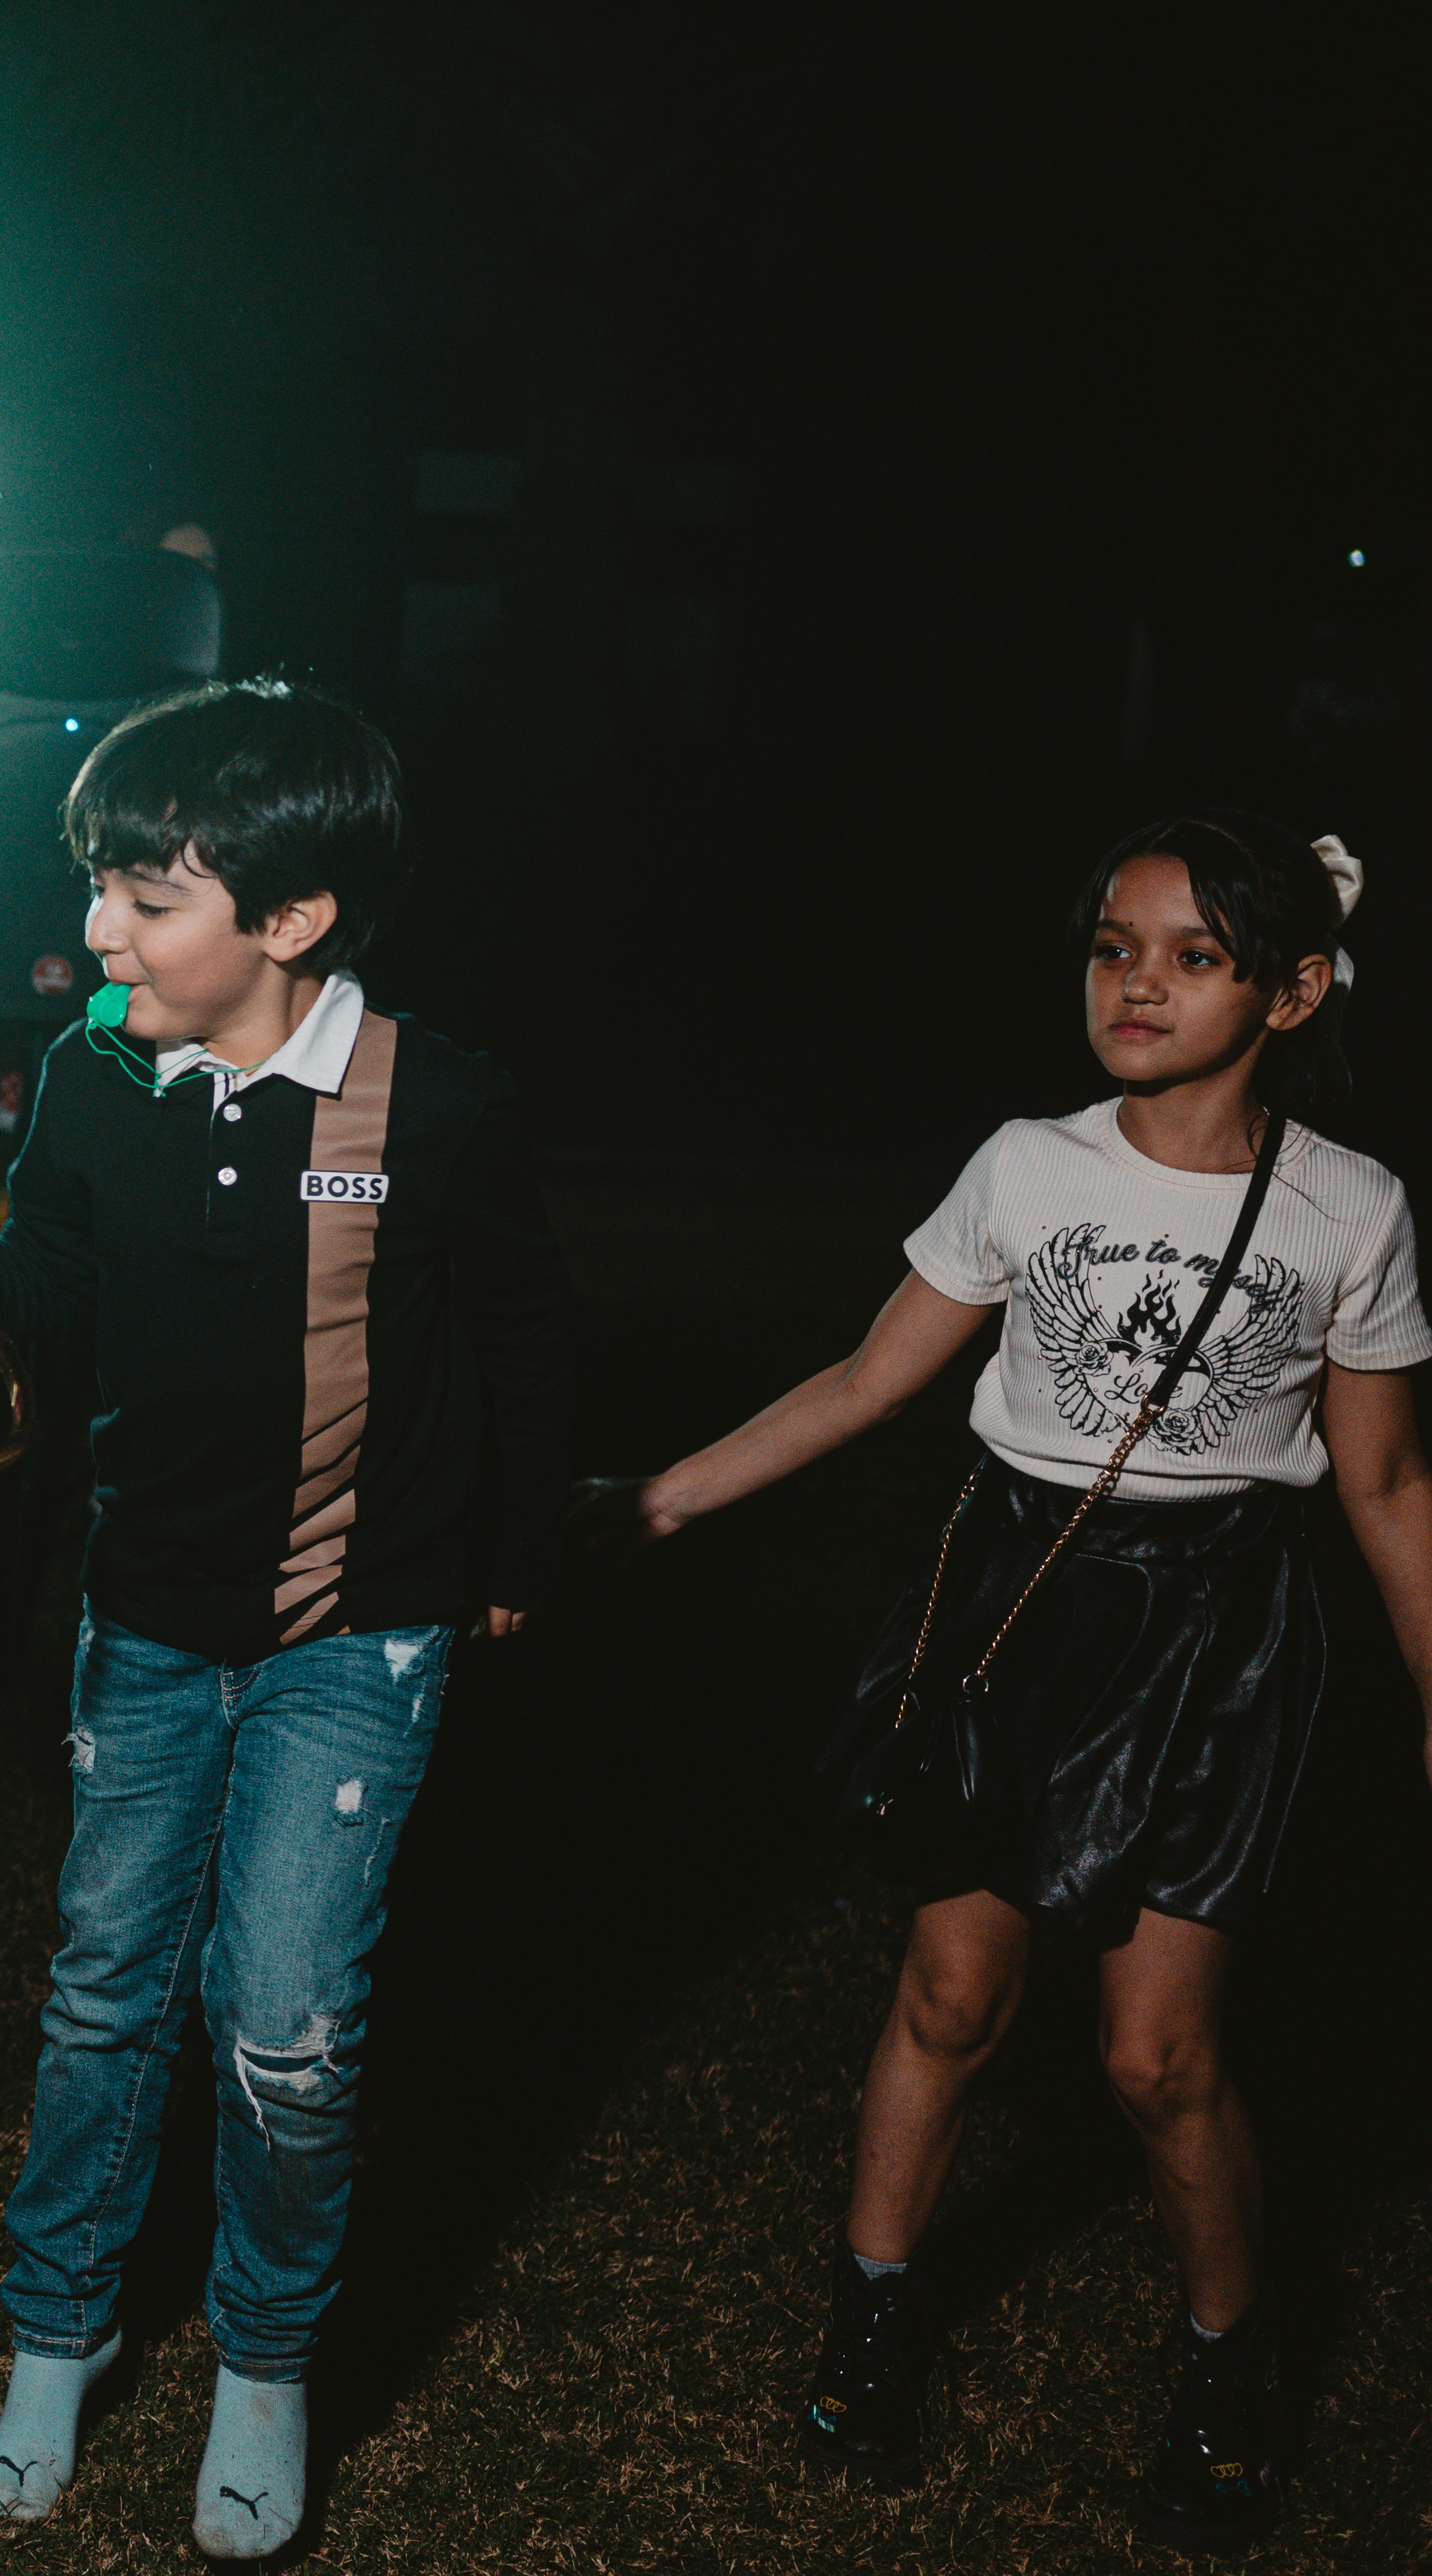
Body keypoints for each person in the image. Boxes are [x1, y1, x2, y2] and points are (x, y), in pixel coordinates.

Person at [600, 814, 1430, 2552]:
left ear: (1293, 990)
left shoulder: (1353, 1208)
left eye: (1191, 957)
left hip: (1220, 1635)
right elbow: (860, 1378)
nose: (1136, 984)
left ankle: (1229, 2372)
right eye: (1113, 948)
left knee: (1158, 2061)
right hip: (1017, 1609)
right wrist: (665, 1496)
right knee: (950, 1998)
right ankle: (872, 2323)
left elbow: (1385, 1487)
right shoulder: (1028, 1165)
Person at [0, 679, 571, 2558]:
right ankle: (54, 2339)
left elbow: (525, 1335)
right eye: (100, 890)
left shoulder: (436, 1100)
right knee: (102, 1993)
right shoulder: (92, 1080)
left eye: (147, 899)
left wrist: (510, 1547)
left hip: (355, 1630)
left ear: (290, 923)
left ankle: (265, 2361)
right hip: (148, 1619)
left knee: (290, 2030)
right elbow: (46, 1293)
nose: (96, 932)